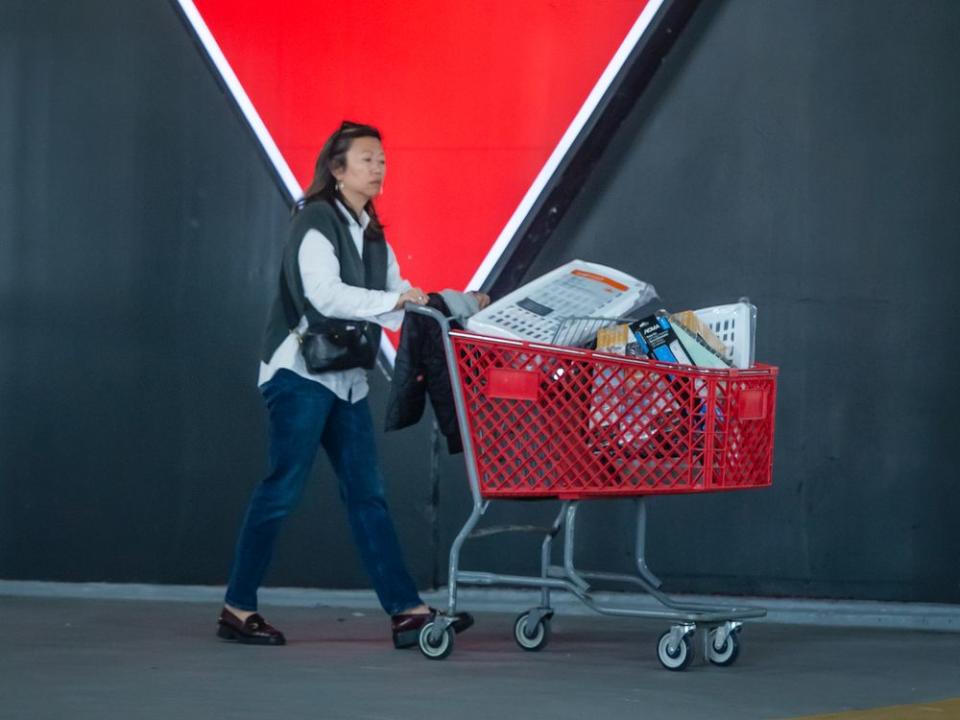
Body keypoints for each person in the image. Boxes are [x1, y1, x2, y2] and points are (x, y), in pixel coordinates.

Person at [216, 121, 484, 648]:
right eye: (366, 159)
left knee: (368, 496)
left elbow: (395, 299)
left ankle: (407, 611)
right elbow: (325, 296)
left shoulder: (374, 234)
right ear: (336, 171)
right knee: (281, 488)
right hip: (299, 375)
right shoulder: (315, 219)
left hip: (346, 381)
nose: (378, 167)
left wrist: (451, 303)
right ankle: (237, 607)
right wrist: (399, 302)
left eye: (381, 159)